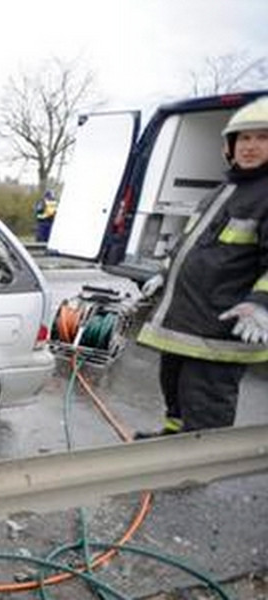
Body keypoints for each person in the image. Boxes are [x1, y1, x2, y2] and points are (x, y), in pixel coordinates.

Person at [135, 97, 268, 437]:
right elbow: (190, 244)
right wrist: (164, 274)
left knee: (206, 400)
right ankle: (172, 438)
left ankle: (193, 468)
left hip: (220, 326)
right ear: (230, 146)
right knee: (176, 388)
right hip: (189, 320)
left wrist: (261, 303)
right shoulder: (226, 189)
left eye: (262, 138)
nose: (251, 146)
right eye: (244, 138)